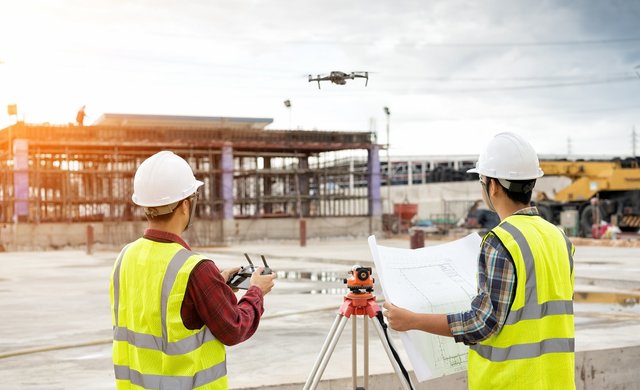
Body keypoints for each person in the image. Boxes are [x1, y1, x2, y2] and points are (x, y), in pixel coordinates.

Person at [383, 132, 575, 389]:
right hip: (556, 381)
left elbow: (481, 323)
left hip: (511, 382)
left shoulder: (502, 241)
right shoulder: (559, 238)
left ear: (493, 185)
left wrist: (412, 320)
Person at [110, 151, 276, 389]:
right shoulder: (195, 269)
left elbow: (159, 309)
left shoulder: (124, 257)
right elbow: (234, 328)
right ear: (185, 205)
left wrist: (214, 284)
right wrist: (256, 292)